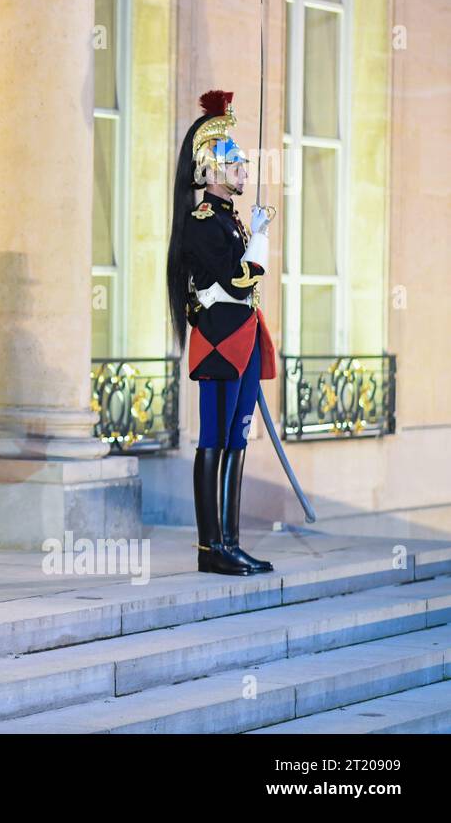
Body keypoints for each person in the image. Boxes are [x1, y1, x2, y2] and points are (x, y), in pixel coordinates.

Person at [165, 89, 276, 576]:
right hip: (218, 343)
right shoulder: (202, 222)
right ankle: (211, 547)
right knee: (214, 437)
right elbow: (235, 281)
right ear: (209, 171)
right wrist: (262, 245)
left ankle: (230, 541)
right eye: (234, 164)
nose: (243, 172)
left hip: (244, 337)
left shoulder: (230, 222)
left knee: (238, 437)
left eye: (243, 164)